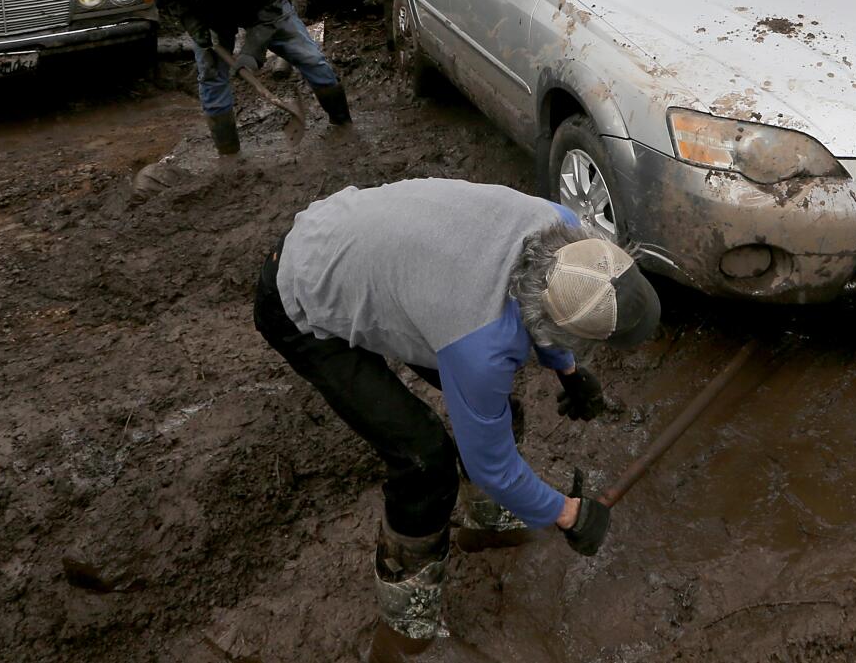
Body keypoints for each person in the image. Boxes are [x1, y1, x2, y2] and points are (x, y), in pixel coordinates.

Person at [253, 178, 661, 648]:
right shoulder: (480, 344)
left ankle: (486, 521)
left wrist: (568, 371)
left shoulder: (564, 227)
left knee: (493, 411)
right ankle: (407, 611)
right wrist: (568, 514)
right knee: (425, 463)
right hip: (302, 289)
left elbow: (548, 305)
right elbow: (494, 465)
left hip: (391, 261)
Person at [154, 0, 349, 154]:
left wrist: (251, 53)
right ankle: (228, 153)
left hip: (261, 8)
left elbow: (271, 9)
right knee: (211, 76)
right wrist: (194, 25)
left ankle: (342, 123)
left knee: (310, 58)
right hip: (208, 15)